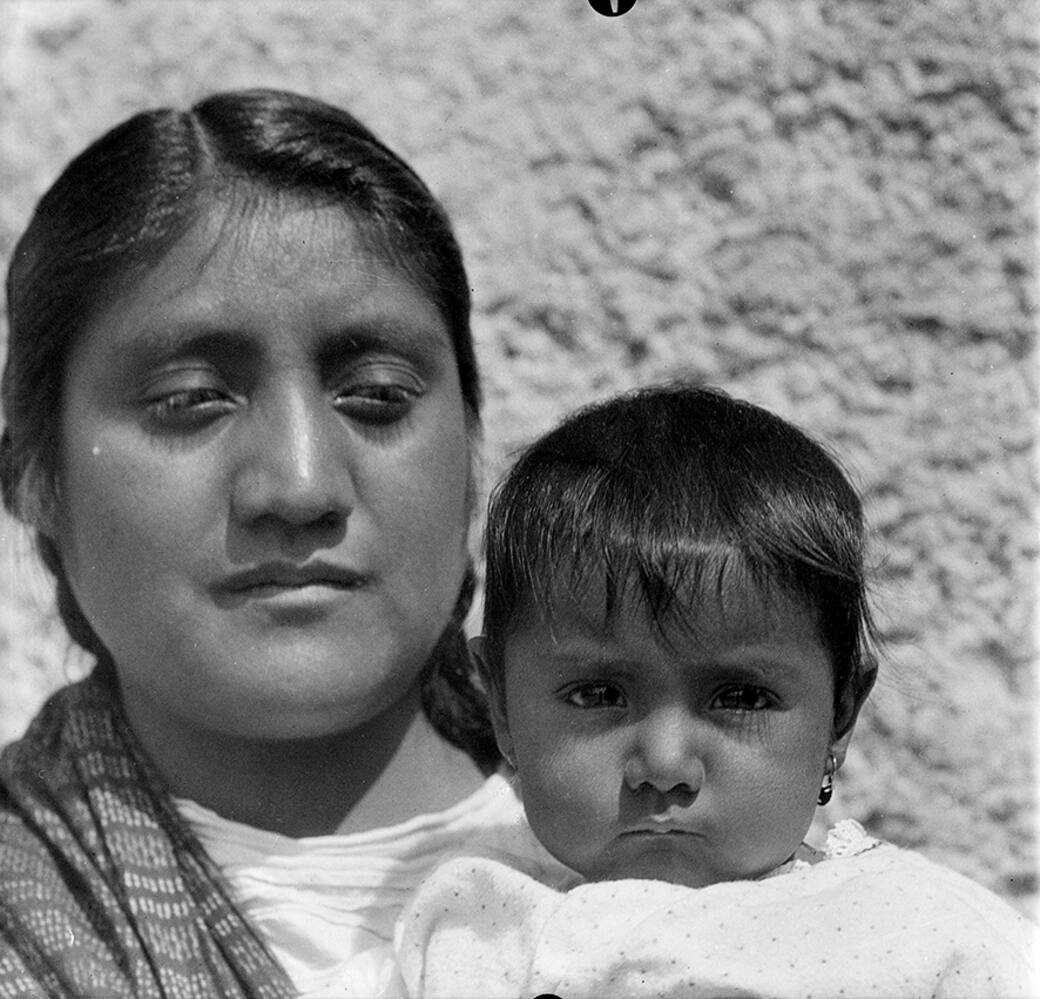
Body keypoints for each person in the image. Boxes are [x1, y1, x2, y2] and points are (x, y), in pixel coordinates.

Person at [0, 89, 568, 998]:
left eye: (377, 394)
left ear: (471, 449)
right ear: (36, 480)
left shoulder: (705, 865)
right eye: (190, 398)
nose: (302, 486)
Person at [395, 385, 1038, 998]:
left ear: (841, 712)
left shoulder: (929, 935)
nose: (665, 767)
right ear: (502, 705)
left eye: (742, 698)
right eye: (596, 694)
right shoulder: (471, 918)